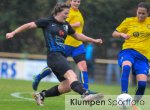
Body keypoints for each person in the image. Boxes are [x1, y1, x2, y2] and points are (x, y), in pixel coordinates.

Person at [6, 3, 103, 105]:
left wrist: (94, 40)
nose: (68, 15)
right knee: (72, 75)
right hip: (53, 56)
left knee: (66, 86)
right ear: (58, 12)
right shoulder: (47, 22)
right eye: (66, 13)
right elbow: (29, 25)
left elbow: (78, 36)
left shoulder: (66, 25)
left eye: (68, 13)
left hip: (60, 56)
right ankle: (86, 94)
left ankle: (41, 95)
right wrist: (13, 33)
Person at [32, 0, 96, 93]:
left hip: (78, 45)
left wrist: (93, 40)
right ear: (70, 1)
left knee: (83, 67)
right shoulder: (67, 12)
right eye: (75, 1)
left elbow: (77, 33)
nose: (77, 3)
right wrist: (74, 25)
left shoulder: (79, 13)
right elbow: (62, 25)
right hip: (66, 44)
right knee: (55, 65)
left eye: (78, 1)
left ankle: (86, 90)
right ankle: (39, 77)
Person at [112, 2, 150, 104]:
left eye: (143, 13)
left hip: (143, 57)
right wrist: (122, 34)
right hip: (128, 51)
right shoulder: (128, 21)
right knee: (126, 67)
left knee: (142, 84)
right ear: (136, 12)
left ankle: (134, 104)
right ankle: (124, 95)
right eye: (139, 13)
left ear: (148, 13)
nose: (141, 15)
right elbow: (114, 33)